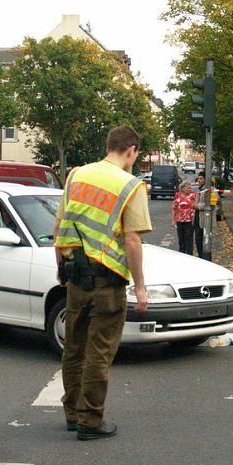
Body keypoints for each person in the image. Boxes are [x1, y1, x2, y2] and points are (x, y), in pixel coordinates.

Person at [54, 126, 151, 441]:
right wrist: (140, 286)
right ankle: (90, 420)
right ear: (131, 150)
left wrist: (60, 266)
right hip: (107, 281)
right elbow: (132, 240)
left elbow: (60, 223)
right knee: (99, 351)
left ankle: (72, 413)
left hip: (75, 276)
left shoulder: (76, 176)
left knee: (74, 347)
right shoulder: (130, 185)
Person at [172, 180, 196, 255]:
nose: (190, 190)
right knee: (181, 238)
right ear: (182, 188)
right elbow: (174, 208)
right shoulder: (177, 195)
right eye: (188, 188)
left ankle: (189, 254)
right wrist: (173, 220)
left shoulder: (193, 195)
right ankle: (182, 254)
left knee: (188, 238)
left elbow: (196, 205)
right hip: (179, 220)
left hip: (189, 220)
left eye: (190, 188)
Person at [193, 172, 206, 258]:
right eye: (198, 178)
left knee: (202, 238)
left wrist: (197, 206)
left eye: (201, 178)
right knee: (198, 238)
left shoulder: (209, 189)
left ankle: (203, 256)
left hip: (204, 217)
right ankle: (200, 256)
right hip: (197, 216)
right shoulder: (199, 189)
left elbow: (215, 203)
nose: (199, 180)